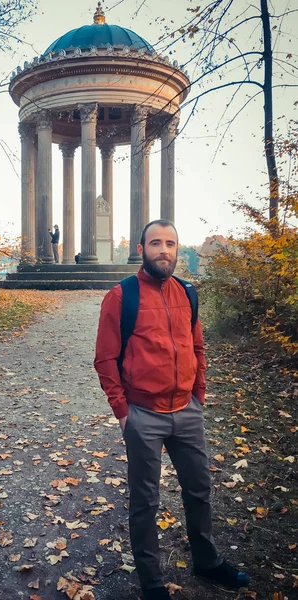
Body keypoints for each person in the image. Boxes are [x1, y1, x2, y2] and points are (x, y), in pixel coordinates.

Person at [94, 220, 250, 600]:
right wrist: (122, 409)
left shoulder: (188, 292)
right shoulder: (121, 296)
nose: (164, 250)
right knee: (145, 501)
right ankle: (151, 582)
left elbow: (197, 346)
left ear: (178, 249)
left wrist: (199, 393)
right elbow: (105, 358)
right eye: (156, 243)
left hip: (187, 411)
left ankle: (207, 562)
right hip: (143, 415)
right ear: (141, 247)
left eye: (171, 243)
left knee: (199, 489)